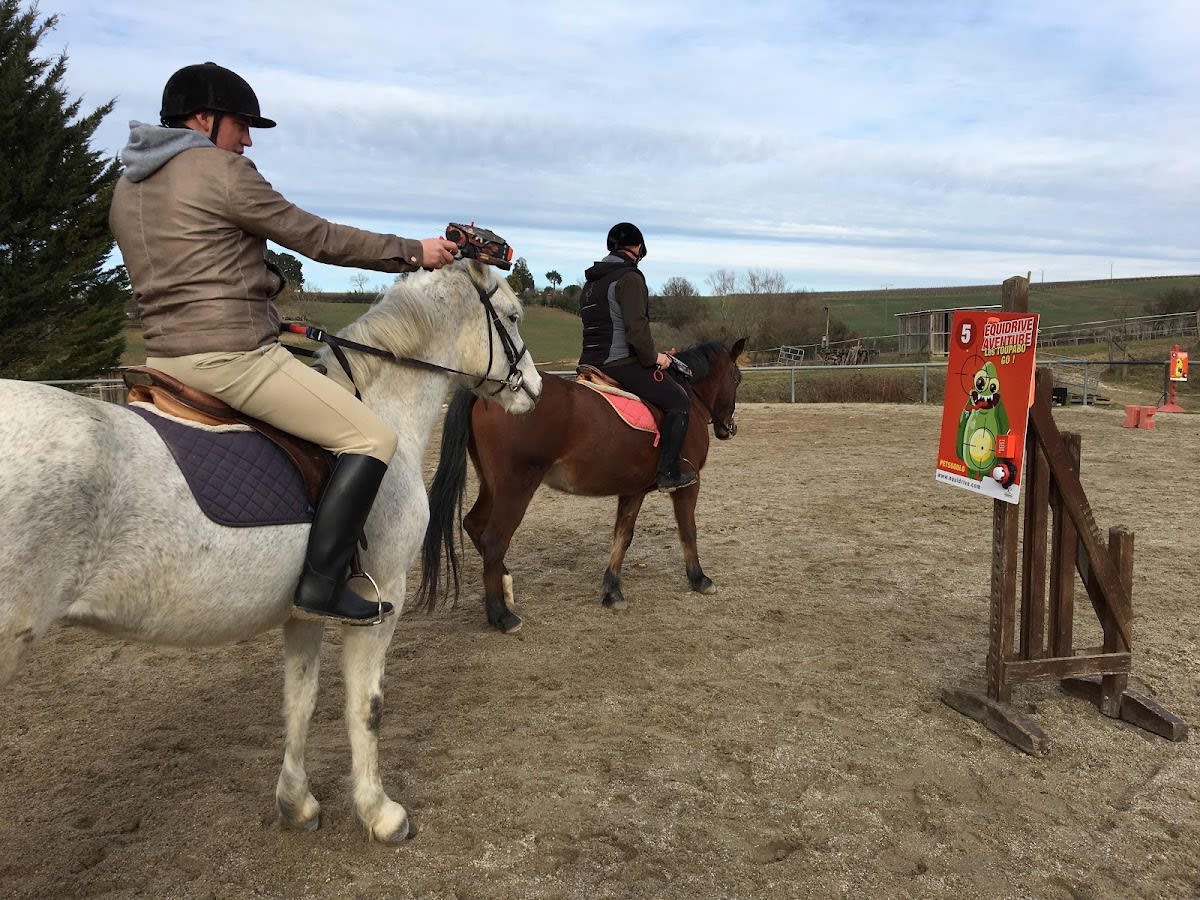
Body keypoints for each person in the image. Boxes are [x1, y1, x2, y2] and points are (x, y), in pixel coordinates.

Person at [109, 61, 461, 626]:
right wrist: (415, 251)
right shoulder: (222, 172)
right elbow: (317, 238)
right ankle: (321, 584)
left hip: (162, 361)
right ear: (203, 119)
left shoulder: (127, 189)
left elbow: (196, 270)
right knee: (372, 437)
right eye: (241, 125)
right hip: (232, 360)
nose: (247, 140)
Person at [578, 222, 696, 492]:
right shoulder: (629, 278)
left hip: (590, 362)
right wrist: (657, 358)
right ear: (638, 248)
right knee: (679, 400)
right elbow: (637, 330)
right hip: (620, 364)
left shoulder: (591, 283)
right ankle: (667, 472)